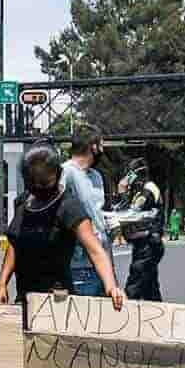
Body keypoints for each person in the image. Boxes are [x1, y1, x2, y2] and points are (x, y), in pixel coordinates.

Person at [0, 142, 125, 314]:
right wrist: (2, 283)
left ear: (57, 175)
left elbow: (95, 250)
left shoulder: (68, 206)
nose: (39, 188)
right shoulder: (23, 202)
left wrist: (111, 286)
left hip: (57, 303)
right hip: (25, 299)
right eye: (34, 183)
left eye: (44, 183)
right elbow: (14, 243)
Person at [61, 126, 112, 297]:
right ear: (93, 146)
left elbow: (97, 215)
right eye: (101, 145)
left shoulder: (96, 176)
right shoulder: (66, 173)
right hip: (78, 266)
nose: (103, 150)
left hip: (101, 262)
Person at [112, 159, 165, 301]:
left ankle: (124, 317)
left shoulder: (148, 189)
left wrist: (121, 193)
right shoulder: (139, 191)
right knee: (150, 287)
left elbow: (130, 214)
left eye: (128, 174)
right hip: (143, 244)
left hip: (148, 244)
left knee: (134, 285)